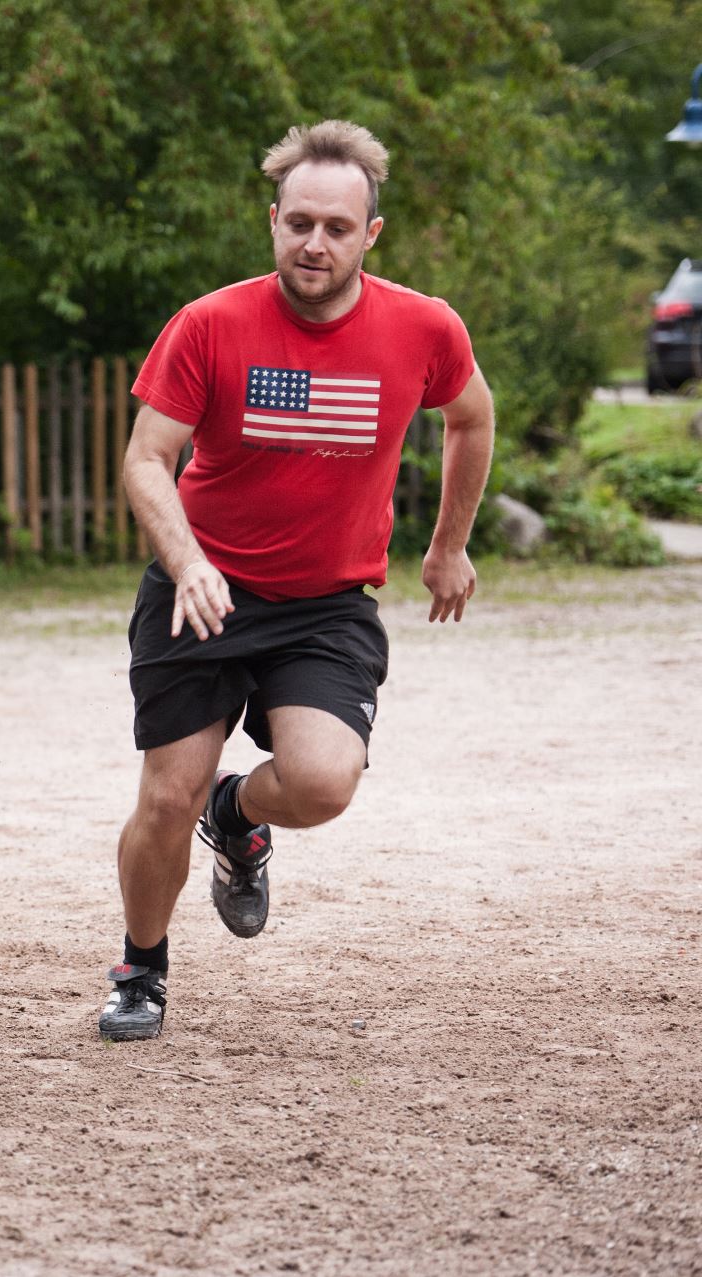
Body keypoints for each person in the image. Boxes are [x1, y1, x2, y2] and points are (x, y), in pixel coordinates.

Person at [97, 120, 493, 1042]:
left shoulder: (424, 327)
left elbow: (472, 419)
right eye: (300, 223)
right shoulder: (211, 323)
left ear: (371, 234)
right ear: (273, 221)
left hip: (325, 605)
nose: (316, 243)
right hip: (205, 592)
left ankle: (238, 813)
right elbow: (146, 459)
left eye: (338, 228)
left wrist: (450, 544)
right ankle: (141, 968)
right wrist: (188, 558)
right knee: (166, 795)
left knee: (322, 783)